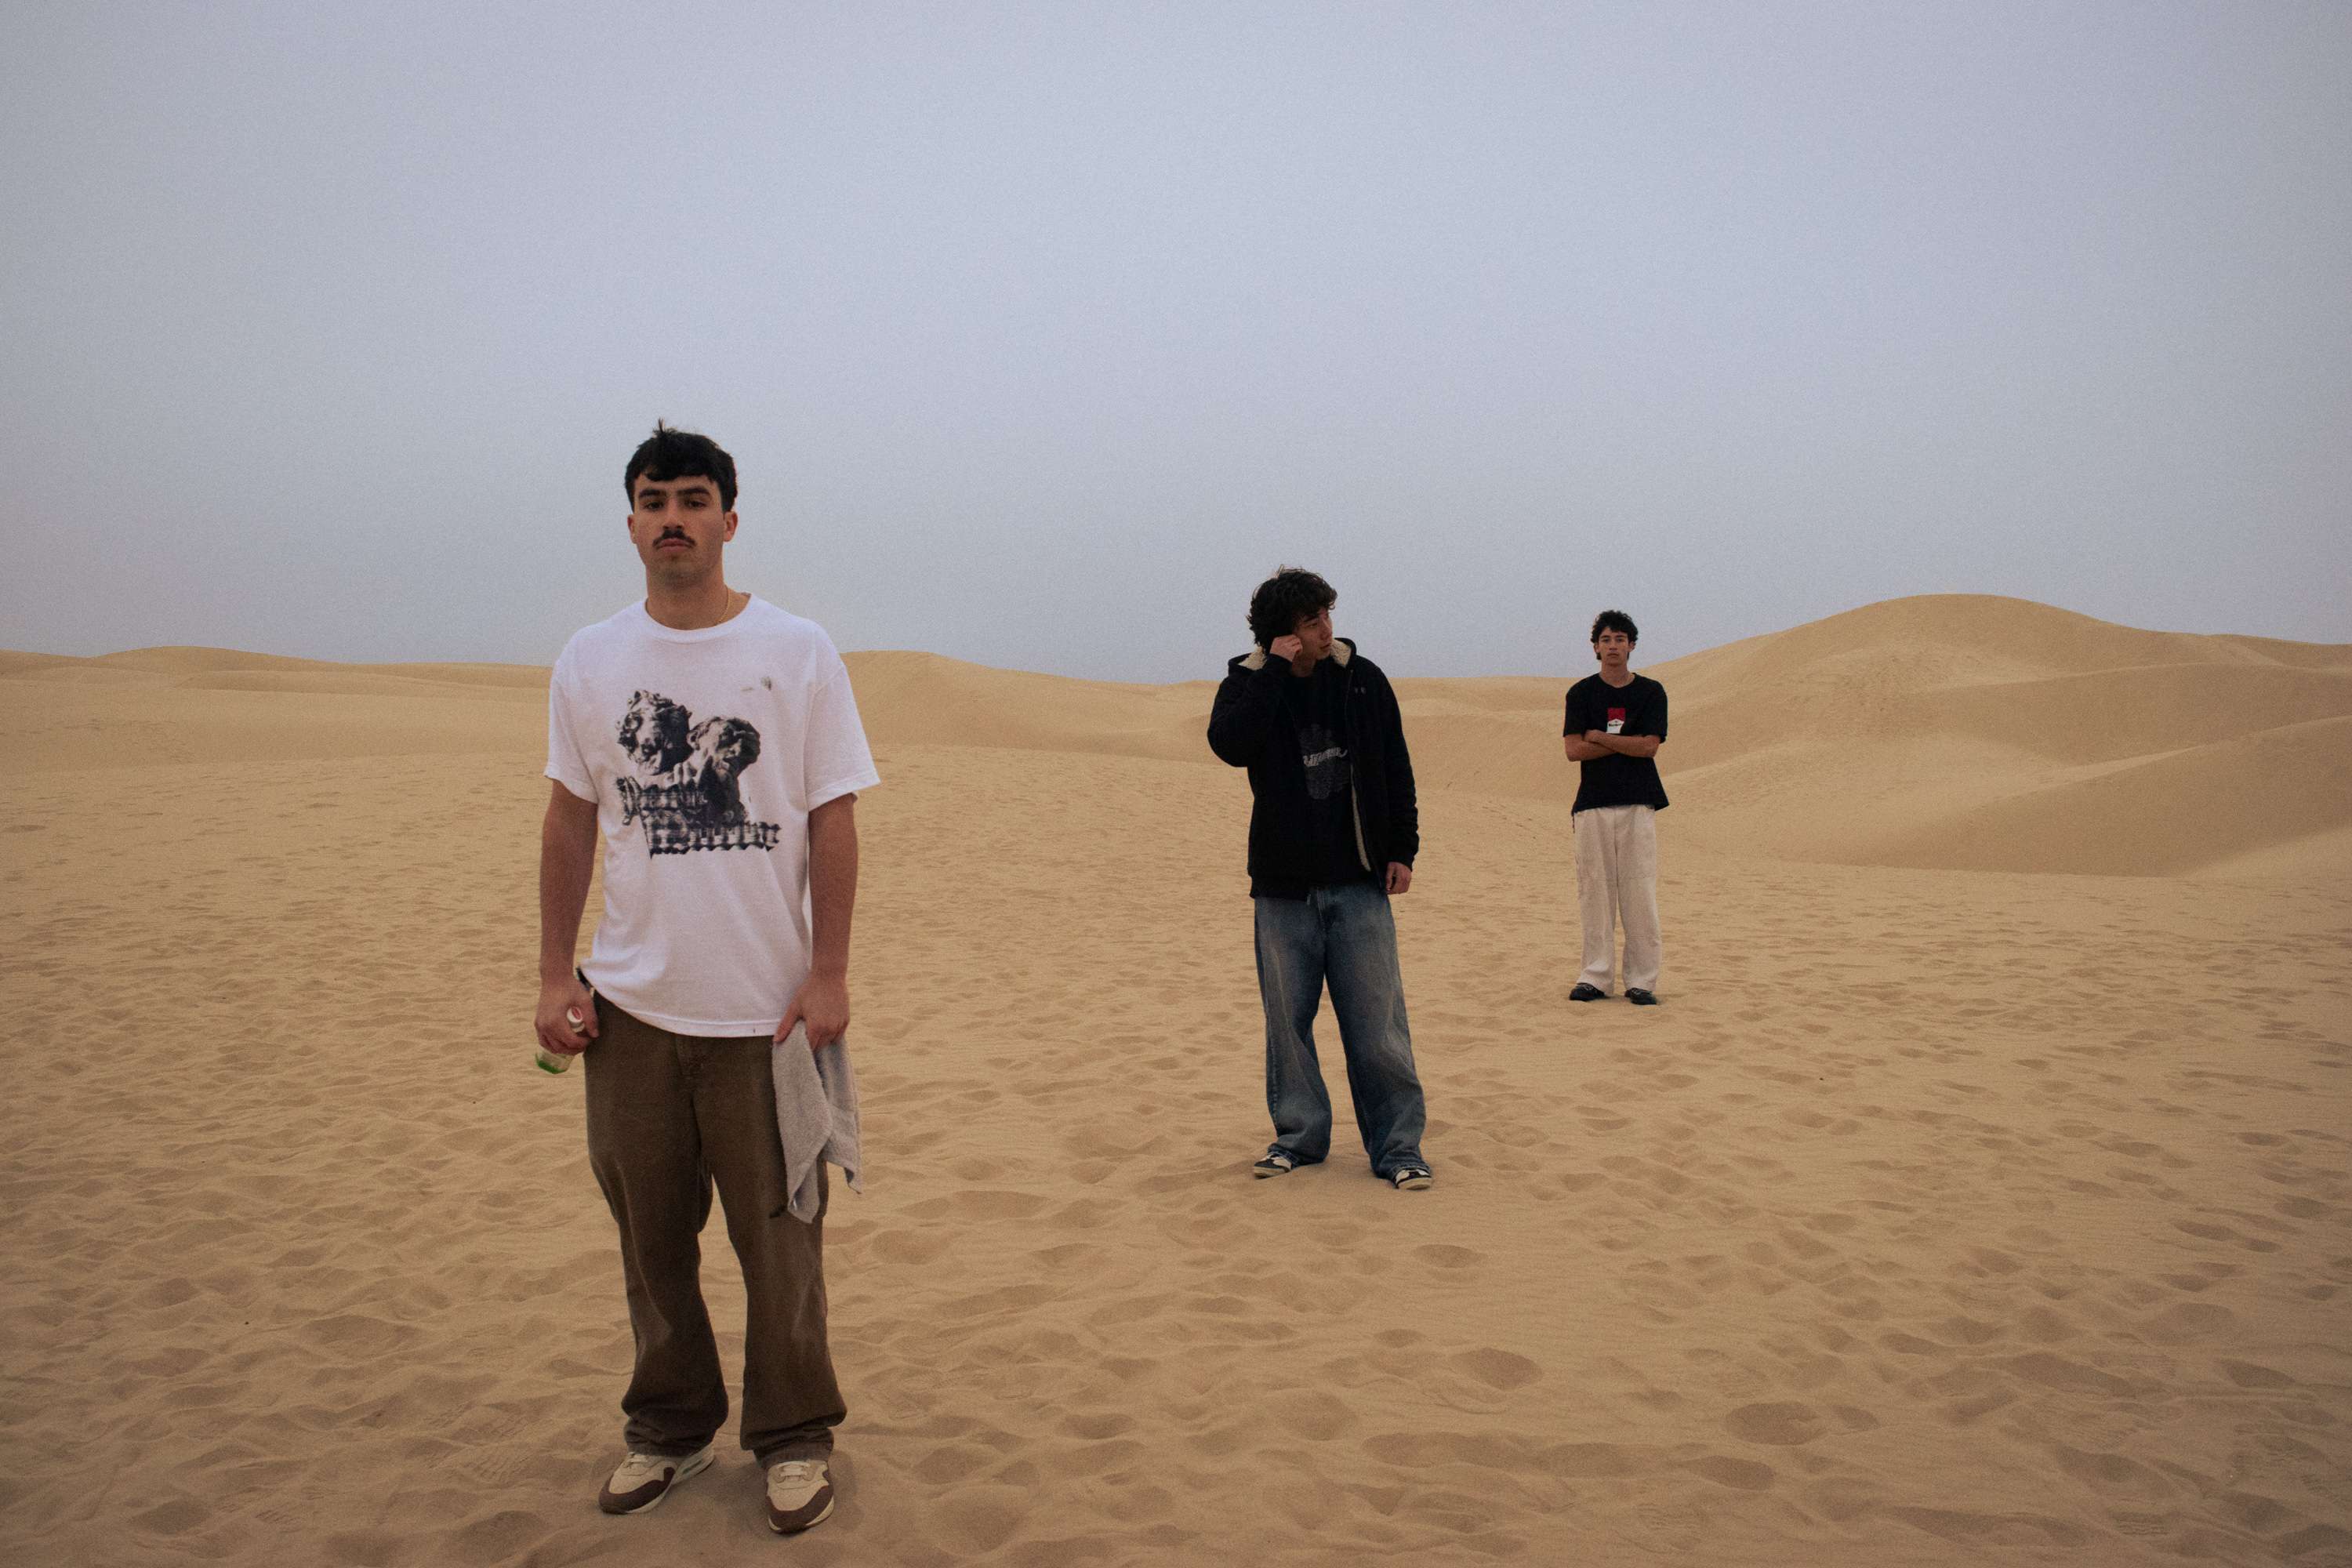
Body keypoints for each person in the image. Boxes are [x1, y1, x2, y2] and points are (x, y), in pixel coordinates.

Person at [535, 423, 879, 1535]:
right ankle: (671, 1428)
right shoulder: (590, 660)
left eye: (693, 498)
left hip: (769, 1013)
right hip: (632, 1007)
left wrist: (829, 973)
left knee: (782, 1243)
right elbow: (571, 818)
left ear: (731, 519)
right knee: (650, 1241)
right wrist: (555, 975)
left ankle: (792, 1438)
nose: (672, 517)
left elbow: (833, 813)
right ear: (630, 521)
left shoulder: (798, 649)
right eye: (652, 499)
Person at [1207, 568, 1434, 1190]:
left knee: (1378, 1024)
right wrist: (1274, 672)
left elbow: (1397, 767)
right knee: (1288, 1023)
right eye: (1312, 621)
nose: (1327, 629)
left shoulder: (1361, 680)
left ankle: (1398, 1147)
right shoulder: (1249, 682)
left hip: (1358, 879)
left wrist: (1403, 849)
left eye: (1327, 615)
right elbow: (1230, 745)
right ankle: (1300, 1138)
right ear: (1284, 634)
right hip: (1283, 887)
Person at [1562, 609, 1668, 1004]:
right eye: (1606, 640)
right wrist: (1625, 742)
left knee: (1639, 891)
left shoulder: (1651, 692)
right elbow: (1574, 750)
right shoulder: (1581, 693)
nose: (1613, 647)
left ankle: (1642, 980)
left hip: (1639, 803)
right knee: (1594, 891)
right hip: (1593, 805)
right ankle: (1595, 976)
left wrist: (1599, 738)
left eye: (1620, 639)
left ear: (1632, 646)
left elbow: (1649, 746)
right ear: (1595, 647)